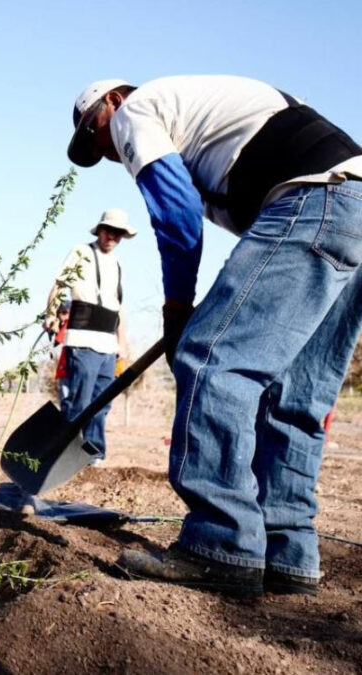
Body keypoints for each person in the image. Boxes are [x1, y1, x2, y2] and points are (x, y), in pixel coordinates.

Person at [67, 75, 362, 596]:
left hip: (316, 197)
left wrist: (178, 308)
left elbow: (177, 215)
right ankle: (287, 550)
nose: (105, 151)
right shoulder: (203, 124)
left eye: (95, 132)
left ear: (114, 100)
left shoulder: (139, 110)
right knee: (296, 393)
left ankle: (221, 541)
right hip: (351, 203)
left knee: (210, 358)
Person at [44, 209, 134, 465]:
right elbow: (59, 286)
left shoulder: (117, 264)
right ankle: (62, 455)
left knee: (102, 403)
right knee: (79, 402)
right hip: (83, 341)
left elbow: (118, 306)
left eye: (118, 233)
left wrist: (122, 343)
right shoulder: (81, 252)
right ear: (100, 230)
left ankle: (94, 456)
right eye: (108, 231)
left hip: (108, 344)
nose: (112, 237)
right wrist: (50, 315)